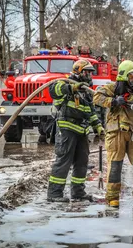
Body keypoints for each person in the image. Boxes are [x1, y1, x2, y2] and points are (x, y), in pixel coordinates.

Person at [93, 60, 133, 208]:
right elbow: (97, 98)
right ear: (124, 78)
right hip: (116, 133)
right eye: (132, 78)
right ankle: (112, 198)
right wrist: (114, 101)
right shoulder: (112, 88)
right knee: (115, 166)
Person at [47, 59, 105, 202]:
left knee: (82, 162)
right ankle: (54, 194)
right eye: (87, 72)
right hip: (66, 129)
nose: (89, 76)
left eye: (91, 73)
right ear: (78, 71)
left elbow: (90, 111)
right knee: (64, 160)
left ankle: (78, 193)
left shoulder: (86, 91)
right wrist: (72, 88)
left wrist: (98, 126)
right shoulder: (65, 83)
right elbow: (53, 90)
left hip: (82, 130)